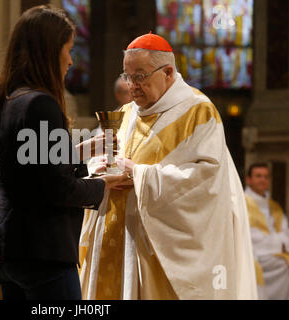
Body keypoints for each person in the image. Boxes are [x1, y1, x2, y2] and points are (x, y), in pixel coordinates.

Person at [79, 32, 258, 299]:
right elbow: (104, 155)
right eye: (128, 77)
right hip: (116, 238)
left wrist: (140, 175)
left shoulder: (198, 111)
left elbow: (207, 182)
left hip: (156, 250)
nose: (132, 87)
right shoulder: (127, 113)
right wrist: (99, 166)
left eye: (140, 76)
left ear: (168, 72)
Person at [0, 5, 128, 300]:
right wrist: (103, 184)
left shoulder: (8, 99)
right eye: (69, 49)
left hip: (9, 248)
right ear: (49, 51)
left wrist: (81, 151)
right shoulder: (41, 105)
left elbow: (30, 168)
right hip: (41, 252)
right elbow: (56, 188)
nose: (71, 61)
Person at [245, 163, 289, 300]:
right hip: (256, 255)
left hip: (275, 255)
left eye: (266, 177)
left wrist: (276, 240)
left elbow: (287, 234)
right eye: (258, 176)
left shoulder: (274, 206)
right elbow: (250, 237)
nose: (263, 180)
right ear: (248, 179)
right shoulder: (242, 203)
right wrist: (278, 241)